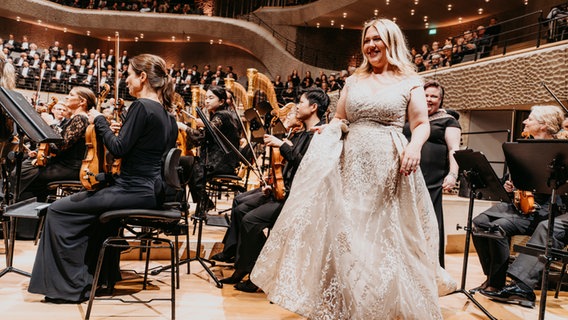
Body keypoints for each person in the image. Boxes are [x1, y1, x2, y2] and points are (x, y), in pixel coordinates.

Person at [251, 18, 456, 319]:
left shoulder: (410, 82)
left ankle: (381, 304)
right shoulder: (353, 81)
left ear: (392, 42)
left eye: (377, 39)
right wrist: (330, 131)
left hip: (390, 162)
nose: (371, 45)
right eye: (367, 40)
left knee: (384, 234)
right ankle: (347, 303)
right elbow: (339, 118)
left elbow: (422, 124)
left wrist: (414, 147)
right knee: (349, 231)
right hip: (352, 161)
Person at [28, 53, 178, 304]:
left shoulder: (141, 106)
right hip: (150, 191)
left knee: (58, 210)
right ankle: (98, 279)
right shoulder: (166, 114)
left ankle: (69, 286)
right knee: (90, 213)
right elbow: (142, 147)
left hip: (131, 190)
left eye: (129, 75)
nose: (126, 81)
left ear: (142, 77)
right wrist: (123, 131)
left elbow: (118, 149)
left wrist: (100, 121)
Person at [212, 87, 328, 293]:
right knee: (240, 209)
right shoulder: (304, 134)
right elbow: (288, 167)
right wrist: (272, 184)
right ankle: (242, 267)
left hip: (297, 198)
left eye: (301, 102)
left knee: (250, 220)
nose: (297, 106)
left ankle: (257, 272)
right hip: (283, 192)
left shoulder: (320, 134)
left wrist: (282, 145)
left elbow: (305, 165)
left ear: (313, 107)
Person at [471, 105, 565, 295]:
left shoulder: (559, 151)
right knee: (478, 223)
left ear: (544, 126)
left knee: (498, 228)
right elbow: (513, 178)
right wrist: (509, 185)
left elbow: (558, 187)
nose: (524, 122)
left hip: (543, 208)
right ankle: (493, 278)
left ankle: (498, 282)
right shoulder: (524, 147)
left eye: (530, 119)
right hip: (520, 205)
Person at [403, 80, 461, 268]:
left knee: (429, 223)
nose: (429, 99)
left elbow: (454, 149)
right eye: (426, 95)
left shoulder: (448, 121)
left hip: (432, 180)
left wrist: (452, 174)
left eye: (434, 96)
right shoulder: (410, 118)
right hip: (406, 176)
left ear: (441, 100)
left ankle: (431, 269)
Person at [16, 87, 91, 202]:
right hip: (65, 164)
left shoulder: (80, 118)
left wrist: (51, 124)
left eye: (71, 95)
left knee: (21, 174)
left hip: (69, 167)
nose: (67, 97)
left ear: (82, 102)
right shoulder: (79, 118)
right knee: (26, 170)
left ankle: (22, 211)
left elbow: (60, 146)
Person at [177, 85, 240, 208]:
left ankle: (200, 203)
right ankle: (200, 202)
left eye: (211, 98)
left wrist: (184, 127)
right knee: (184, 163)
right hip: (220, 159)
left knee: (183, 164)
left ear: (221, 101)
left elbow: (202, 136)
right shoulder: (221, 114)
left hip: (221, 161)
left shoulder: (221, 115)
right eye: (206, 98)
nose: (207, 101)